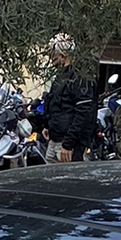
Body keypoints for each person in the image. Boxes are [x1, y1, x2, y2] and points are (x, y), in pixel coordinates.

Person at [41, 33, 98, 162]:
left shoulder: (80, 78)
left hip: (67, 144)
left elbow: (83, 112)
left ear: (63, 55)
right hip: (54, 140)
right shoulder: (61, 76)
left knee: (67, 180)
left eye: (53, 54)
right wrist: (47, 125)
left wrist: (68, 143)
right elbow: (55, 103)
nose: (51, 59)